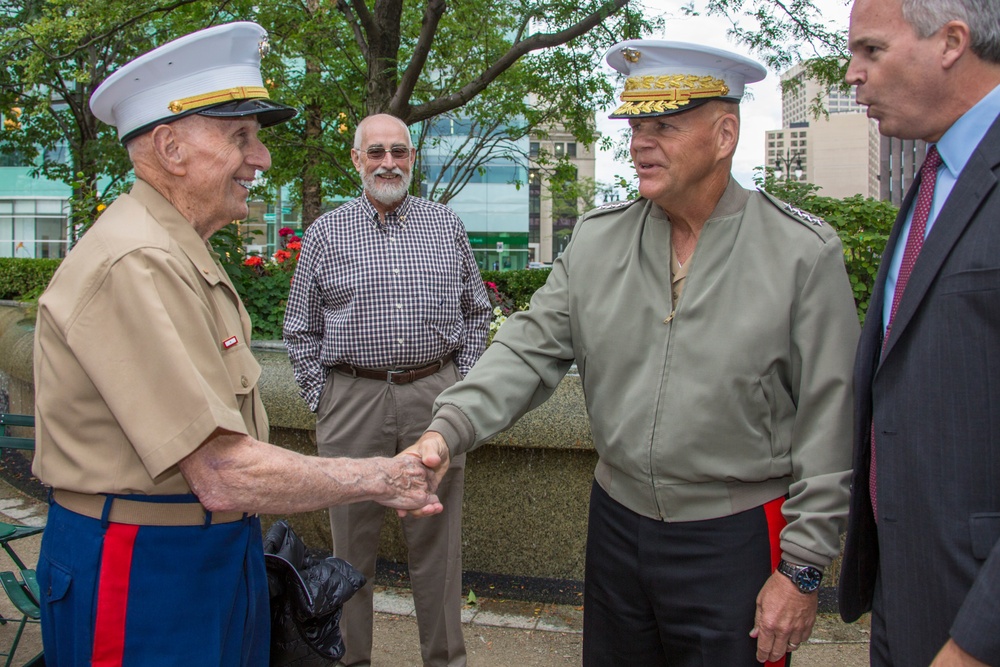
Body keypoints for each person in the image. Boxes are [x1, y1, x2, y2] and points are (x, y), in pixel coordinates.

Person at [404, 40, 860, 666]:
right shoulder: (596, 241)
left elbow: (831, 422)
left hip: (737, 538)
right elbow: (527, 348)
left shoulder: (802, 255)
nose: (640, 142)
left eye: (664, 126)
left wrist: (803, 570)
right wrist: (446, 429)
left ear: (724, 134)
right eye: (635, 126)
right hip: (617, 529)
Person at [31, 23, 443, 666]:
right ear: (170, 147)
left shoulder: (172, 248)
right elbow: (221, 471)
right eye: (240, 137)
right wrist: (382, 475)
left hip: (204, 554)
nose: (262, 159)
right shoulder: (136, 260)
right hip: (144, 567)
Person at [283, 113, 491, 667]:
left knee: (439, 550)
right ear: (357, 160)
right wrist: (322, 399)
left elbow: (477, 311)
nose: (388, 163)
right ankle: (350, 660)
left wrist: (459, 389)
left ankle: (446, 660)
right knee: (351, 550)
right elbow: (299, 328)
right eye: (376, 152)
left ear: (412, 158)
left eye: (398, 151)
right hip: (352, 401)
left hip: (434, 401)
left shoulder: (446, 226)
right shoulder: (327, 232)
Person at [838, 1, 1000, 665]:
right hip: (907, 601)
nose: (853, 75)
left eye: (872, 50)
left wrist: (974, 640)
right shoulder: (933, 178)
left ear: (951, 42)